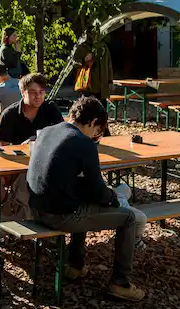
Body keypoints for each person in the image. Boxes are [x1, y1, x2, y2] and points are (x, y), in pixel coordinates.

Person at [27, 96, 145, 301]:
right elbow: (97, 189)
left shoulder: (46, 131)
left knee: (83, 199)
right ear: (92, 123)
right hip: (59, 215)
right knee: (129, 218)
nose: (96, 135)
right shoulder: (83, 142)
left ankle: (75, 265)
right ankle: (121, 283)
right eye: (97, 131)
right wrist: (112, 197)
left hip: (36, 208)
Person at [0, 73, 64, 147]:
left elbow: (63, 135)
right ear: (22, 93)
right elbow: (2, 148)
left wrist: (41, 139)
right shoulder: (9, 114)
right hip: (20, 157)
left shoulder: (51, 109)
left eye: (41, 92)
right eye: (33, 92)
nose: (38, 96)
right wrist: (23, 146)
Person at [72, 27, 114, 104]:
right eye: (93, 33)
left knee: (101, 111)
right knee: (88, 110)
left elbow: (109, 65)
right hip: (88, 86)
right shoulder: (82, 47)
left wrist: (110, 81)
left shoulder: (103, 47)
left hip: (102, 88)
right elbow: (75, 64)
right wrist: (84, 60)